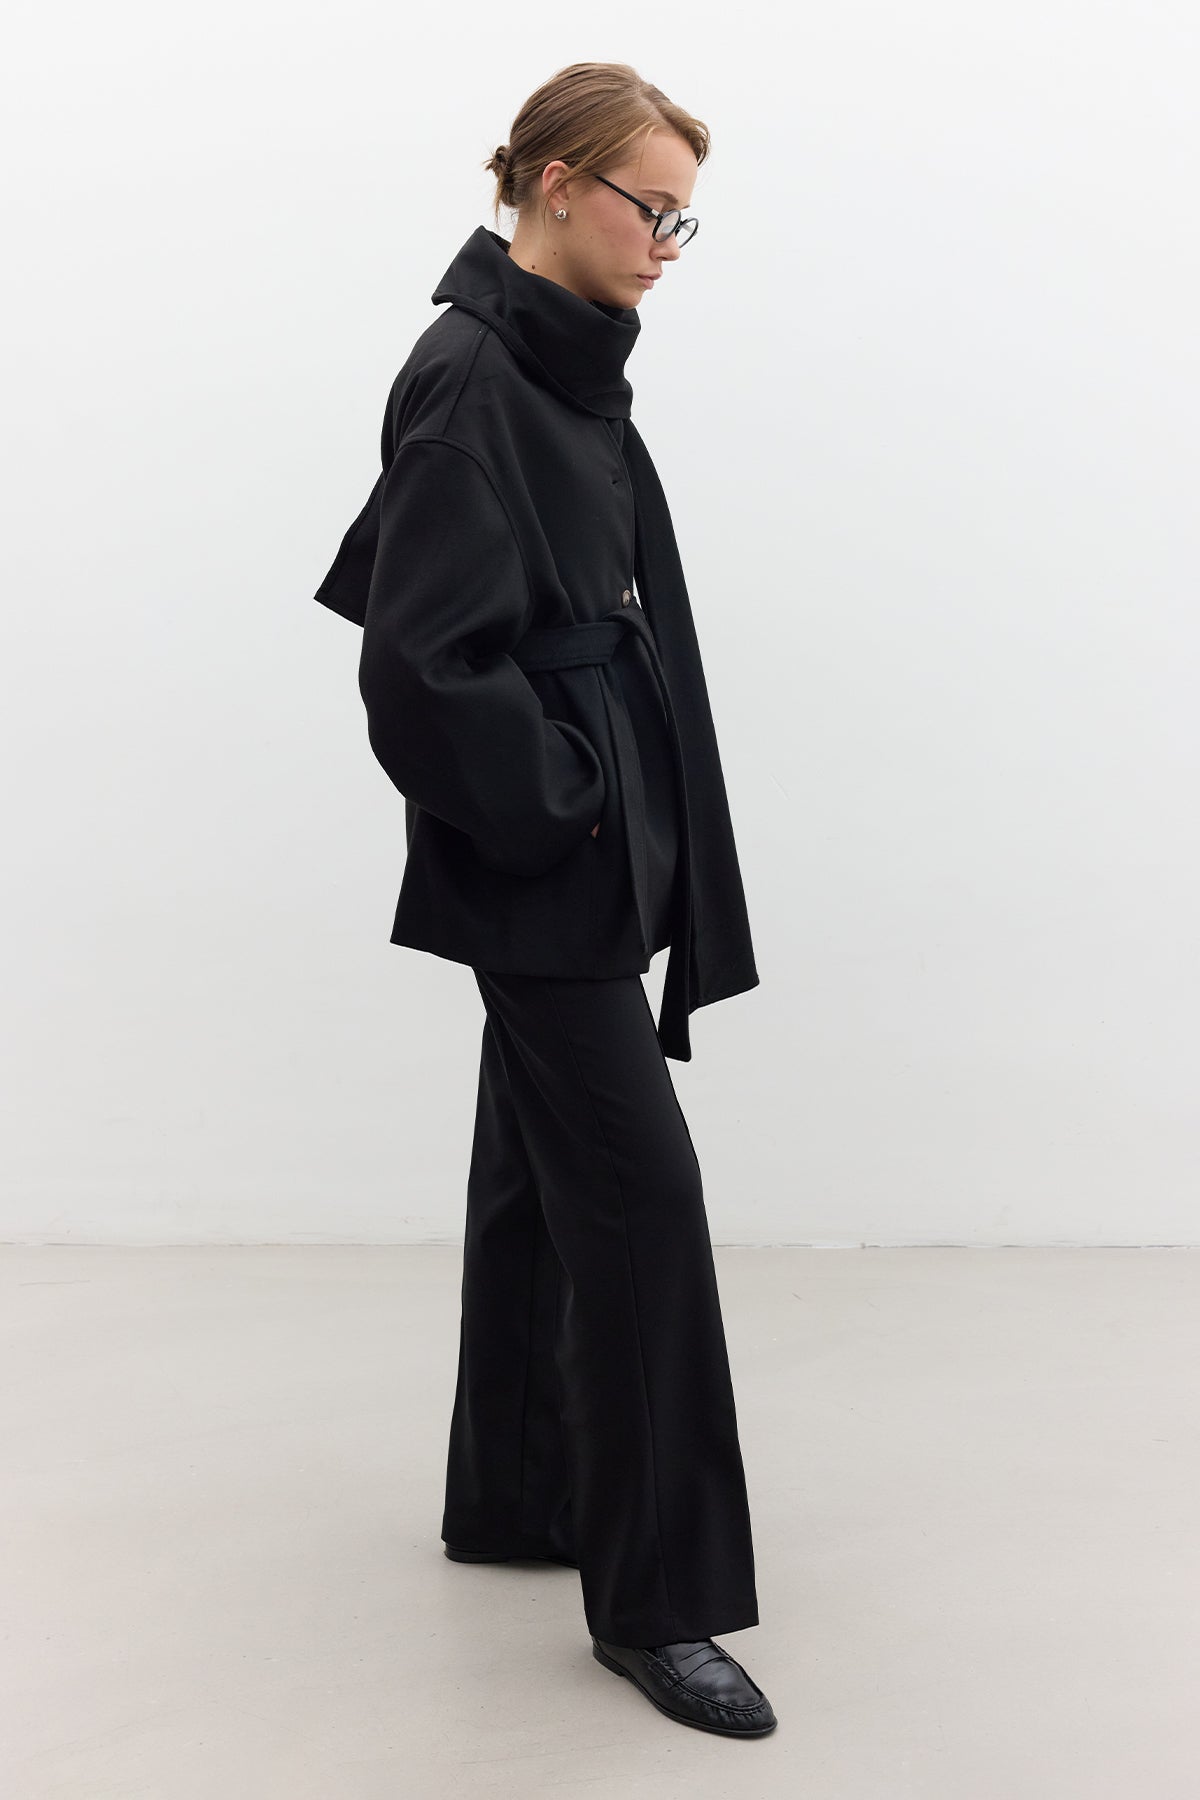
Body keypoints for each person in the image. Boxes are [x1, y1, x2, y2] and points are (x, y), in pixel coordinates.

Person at [313, 61, 776, 1739]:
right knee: (640, 1203)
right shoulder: (474, 380)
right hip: (547, 857)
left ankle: (515, 1492)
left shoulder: (554, 362)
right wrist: (565, 806)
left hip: (587, 842)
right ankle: (658, 1602)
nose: (668, 243)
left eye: (683, 219)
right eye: (654, 208)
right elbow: (419, 668)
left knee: (537, 1162)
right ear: (559, 185)